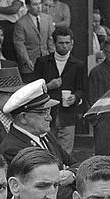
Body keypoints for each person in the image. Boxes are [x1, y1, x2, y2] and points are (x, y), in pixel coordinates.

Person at [0, 79, 79, 199]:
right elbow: (38, 192)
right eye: (43, 113)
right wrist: (75, 195)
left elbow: (78, 165)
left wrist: (71, 174)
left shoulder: (46, 136)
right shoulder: (12, 147)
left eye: (49, 111)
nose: (49, 117)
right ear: (23, 117)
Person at [33, 27, 87, 155]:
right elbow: (33, 88)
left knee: (65, 152)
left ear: (72, 44)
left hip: (68, 113)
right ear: (54, 43)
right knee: (45, 150)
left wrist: (75, 97)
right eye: (61, 43)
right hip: (46, 113)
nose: (64, 46)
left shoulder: (78, 65)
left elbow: (82, 89)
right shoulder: (43, 62)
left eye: (67, 43)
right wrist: (48, 86)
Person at [13, 0, 55, 82]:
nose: (39, 7)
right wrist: (27, 60)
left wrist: (53, 57)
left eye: (40, 4)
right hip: (30, 63)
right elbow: (20, 45)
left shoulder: (47, 19)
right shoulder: (21, 23)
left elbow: (50, 40)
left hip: (46, 60)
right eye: (35, 4)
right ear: (28, 6)